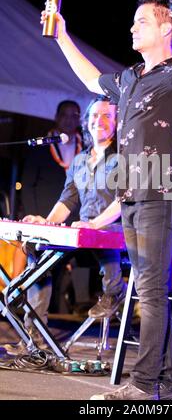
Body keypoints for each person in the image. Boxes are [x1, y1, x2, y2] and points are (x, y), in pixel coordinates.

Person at [41, 0, 172, 400]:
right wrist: (64, 35)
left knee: (151, 291)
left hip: (160, 188)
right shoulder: (130, 77)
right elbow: (89, 79)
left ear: (165, 28)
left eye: (141, 21)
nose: (132, 27)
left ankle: (142, 386)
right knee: (149, 289)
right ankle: (168, 383)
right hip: (132, 190)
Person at [5, 95, 126, 353]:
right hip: (85, 226)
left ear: (117, 122)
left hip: (114, 225)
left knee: (106, 235)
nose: (99, 121)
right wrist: (46, 223)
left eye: (107, 115)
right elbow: (68, 199)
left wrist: (95, 224)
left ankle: (115, 291)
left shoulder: (124, 157)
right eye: (94, 116)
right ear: (87, 121)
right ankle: (34, 338)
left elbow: (124, 201)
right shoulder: (81, 160)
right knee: (38, 250)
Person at [12, 99, 83, 278]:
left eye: (74, 115)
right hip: (41, 216)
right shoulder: (42, 146)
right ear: (56, 118)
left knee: (58, 271)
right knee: (33, 267)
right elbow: (27, 185)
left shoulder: (86, 148)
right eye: (64, 115)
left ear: (80, 120)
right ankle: (14, 297)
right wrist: (36, 217)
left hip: (70, 218)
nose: (69, 120)